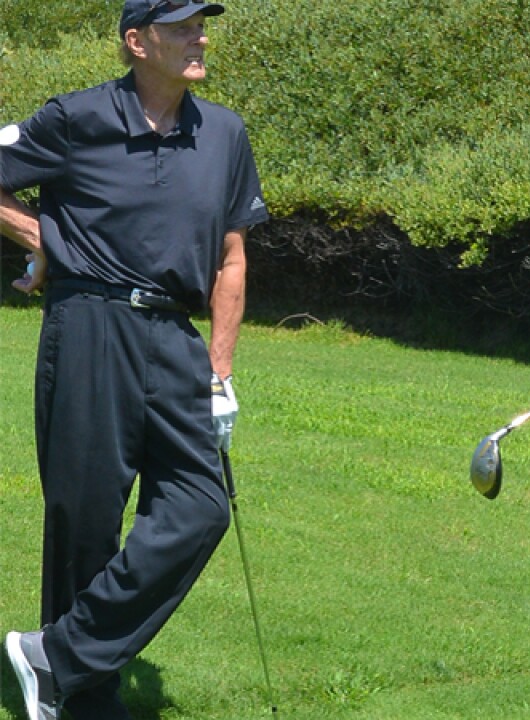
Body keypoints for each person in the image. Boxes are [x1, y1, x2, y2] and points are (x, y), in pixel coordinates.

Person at [0, 1, 269, 717]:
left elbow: (231, 259)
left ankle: (52, 656)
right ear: (136, 41)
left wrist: (220, 371)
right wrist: (43, 242)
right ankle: (81, 698)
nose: (199, 36)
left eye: (200, 24)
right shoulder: (76, 118)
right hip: (90, 327)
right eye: (181, 26)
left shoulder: (225, 134)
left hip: (177, 340)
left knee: (201, 508)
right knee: (86, 519)